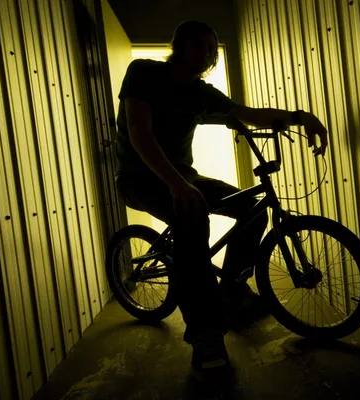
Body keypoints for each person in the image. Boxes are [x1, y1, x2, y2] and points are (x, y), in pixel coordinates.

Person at [114, 20, 328, 380]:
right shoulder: (144, 73)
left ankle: (232, 288)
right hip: (141, 180)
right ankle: (206, 336)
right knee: (194, 219)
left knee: (250, 206)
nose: (209, 53)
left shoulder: (202, 93)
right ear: (179, 46)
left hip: (185, 177)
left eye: (213, 48)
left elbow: (247, 113)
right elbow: (139, 133)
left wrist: (300, 117)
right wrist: (177, 185)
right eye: (201, 45)